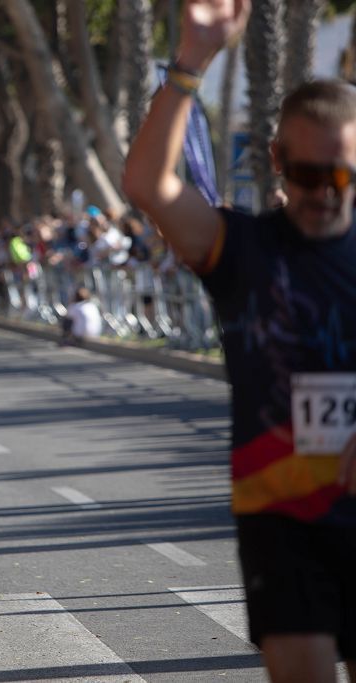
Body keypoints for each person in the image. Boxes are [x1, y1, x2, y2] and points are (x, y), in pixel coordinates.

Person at [123, 2, 356, 680]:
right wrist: (191, 62)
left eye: (342, 174)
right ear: (278, 160)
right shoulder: (243, 249)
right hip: (280, 516)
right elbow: (149, 184)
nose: (325, 192)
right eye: (308, 175)